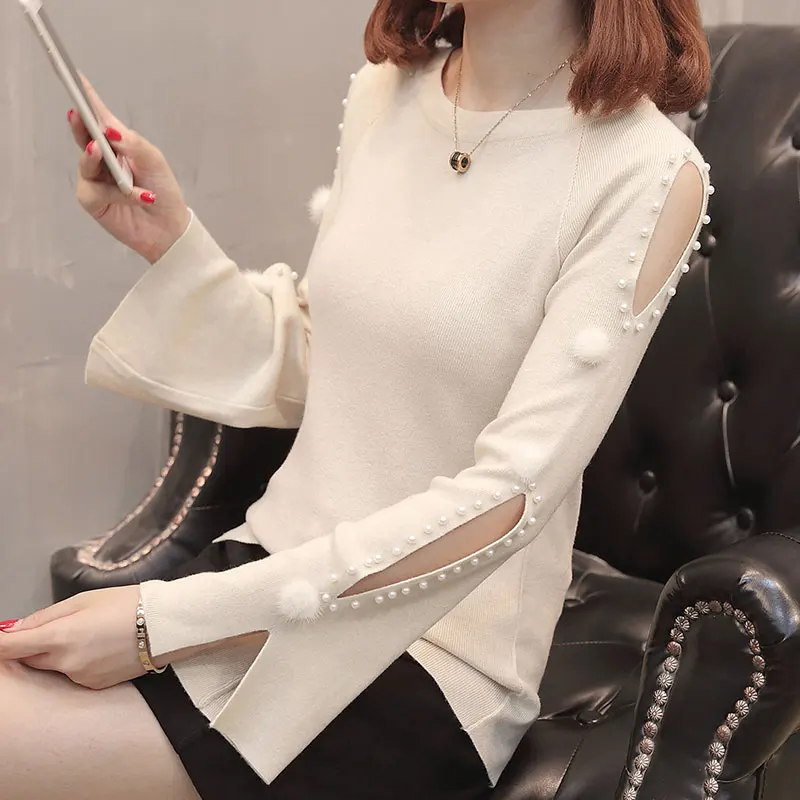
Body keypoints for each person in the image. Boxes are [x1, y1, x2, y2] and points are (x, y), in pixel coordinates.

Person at [0, 1, 712, 798]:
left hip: (429, 650)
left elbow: (512, 498)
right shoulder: (386, 93)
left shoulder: (646, 172)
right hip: (265, 573)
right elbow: (326, 359)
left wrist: (158, 624)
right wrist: (169, 239)